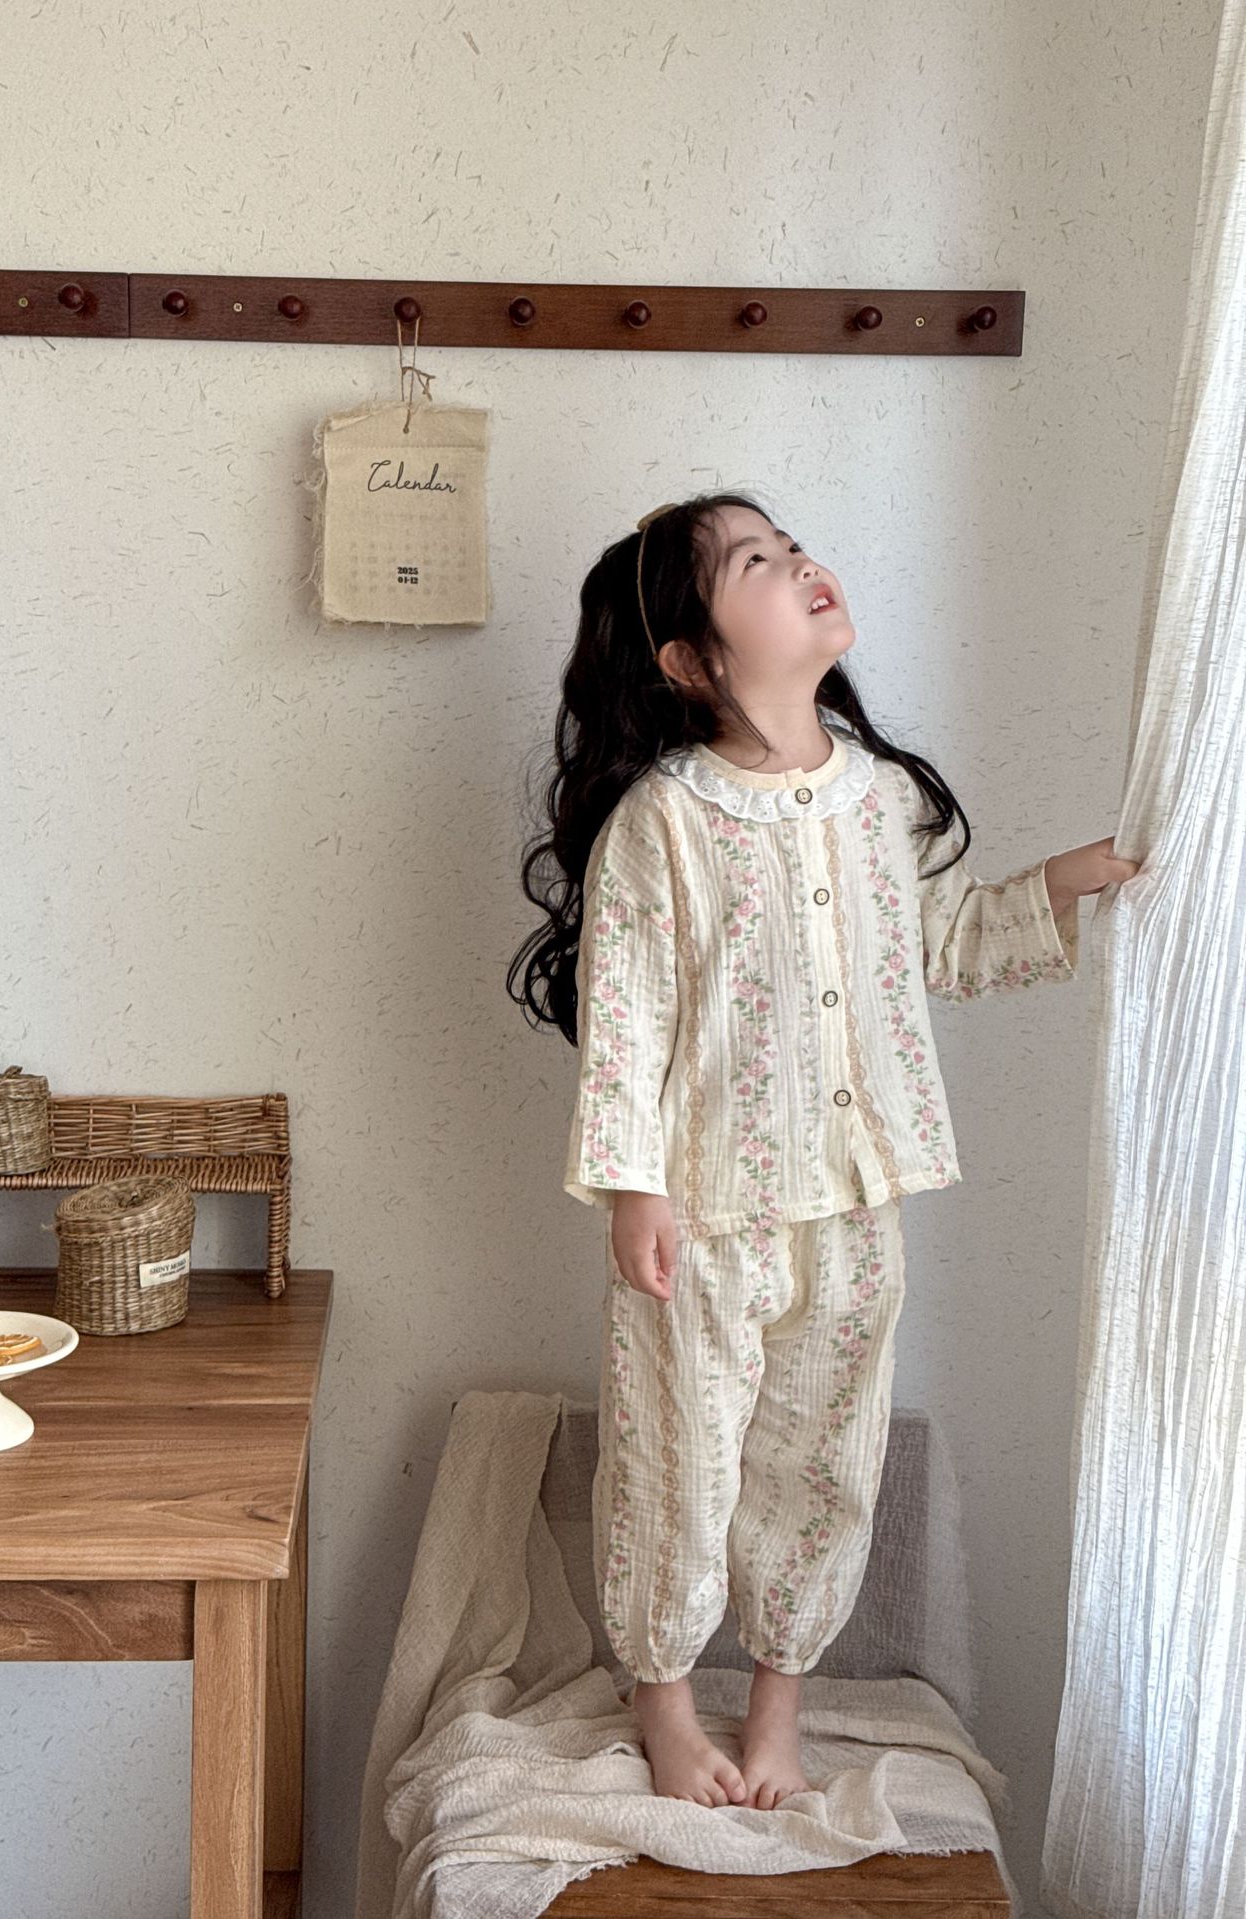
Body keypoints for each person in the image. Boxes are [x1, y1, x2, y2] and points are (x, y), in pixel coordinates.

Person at [507, 490, 1139, 1813]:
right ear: (692, 660)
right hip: (702, 1213)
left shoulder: (882, 800)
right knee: (679, 1461)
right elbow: (626, 1013)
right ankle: (664, 1704)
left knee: (822, 1461)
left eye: (793, 546)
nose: (802, 565)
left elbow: (946, 944)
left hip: (856, 1203)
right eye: (758, 561)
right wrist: (633, 1187)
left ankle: (778, 1712)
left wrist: (1074, 878)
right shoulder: (665, 822)